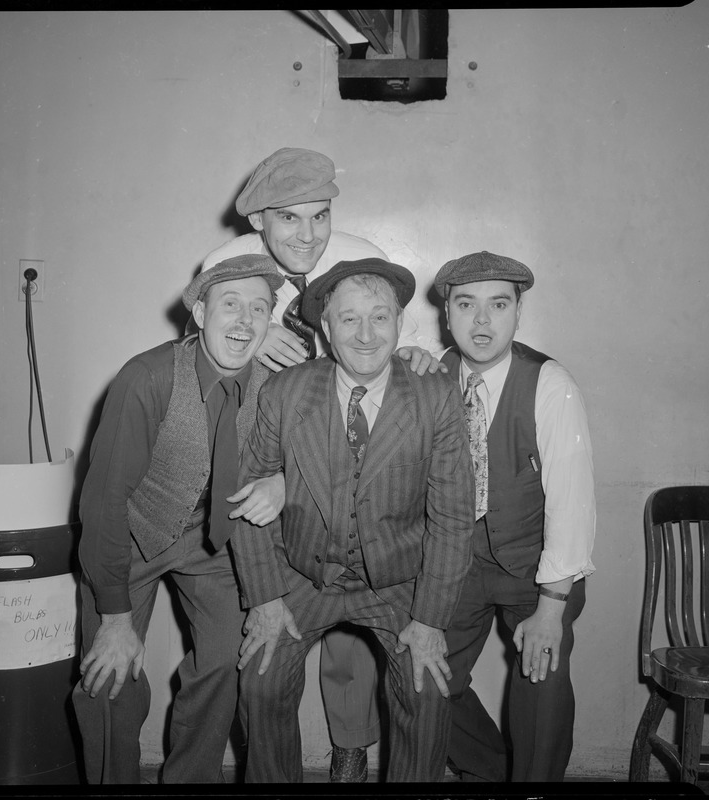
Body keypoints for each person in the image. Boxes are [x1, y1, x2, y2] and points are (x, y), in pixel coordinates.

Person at [203, 146, 441, 780]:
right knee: (260, 640)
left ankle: (351, 747)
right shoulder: (226, 265)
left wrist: (417, 362)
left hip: (359, 477)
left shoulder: (361, 256)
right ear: (258, 222)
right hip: (265, 451)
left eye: (319, 215)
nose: (307, 235)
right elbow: (211, 352)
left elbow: (390, 341)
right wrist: (255, 343)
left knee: (354, 645)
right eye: (288, 219)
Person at [230, 258, 475, 783]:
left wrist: (429, 622)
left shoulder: (435, 397)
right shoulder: (286, 392)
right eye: (349, 320)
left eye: (380, 318)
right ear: (325, 327)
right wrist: (267, 601)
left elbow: (453, 520)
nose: (366, 336)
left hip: (398, 580)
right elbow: (250, 505)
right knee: (262, 678)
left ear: (399, 322)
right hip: (302, 573)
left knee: (426, 688)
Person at [71, 254, 288, 784]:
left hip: (216, 540)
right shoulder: (147, 377)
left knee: (226, 661)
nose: (244, 321)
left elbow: (308, 462)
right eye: (230, 304)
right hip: (132, 533)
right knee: (109, 676)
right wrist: (116, 620)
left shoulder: (278, 387)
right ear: (198, 313)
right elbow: (103, 504)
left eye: (258, 309)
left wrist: (283, 482)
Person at [433, 251, 596, 782]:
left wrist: (552, 606)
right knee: (426, 679)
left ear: (519, 312)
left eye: (498, 305)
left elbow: (572, 499)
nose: (482, 322)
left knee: (540, 684)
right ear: (447, 314)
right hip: (459, 564)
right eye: (467, 305)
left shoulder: (550, 383)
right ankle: (497, 774)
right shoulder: (431, 377)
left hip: (535, 569)